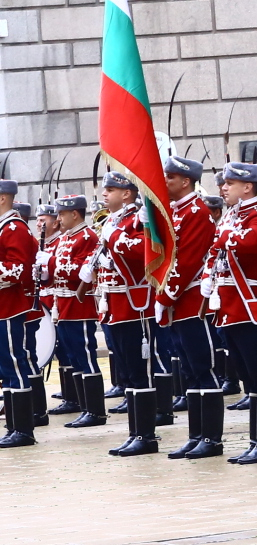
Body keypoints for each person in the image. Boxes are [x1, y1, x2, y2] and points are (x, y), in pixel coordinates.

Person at [211, 162, 257, 465]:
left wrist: (226, 234)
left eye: (229, 183)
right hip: (229, 309)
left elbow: (254, 243)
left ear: (248, 187)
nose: (223, 188)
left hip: (252, 309)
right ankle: (256, 441)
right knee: (247, 378)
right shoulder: (231, 217)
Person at [157, 156, 221, 458]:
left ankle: (211, 438)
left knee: (202, 369)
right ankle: (197, 435)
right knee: (190, 372)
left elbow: (187, 262)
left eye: (169, 177)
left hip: (192, 300)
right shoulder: (173, 211)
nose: (164, 181)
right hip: (178, 302)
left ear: (185, 181)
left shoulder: (196, 212)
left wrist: (164, 297)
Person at [96, 170, 160, 456]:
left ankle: (146, 436)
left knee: (140, 372)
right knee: (129, 375)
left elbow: (142, 251)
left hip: (136, 306)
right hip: (115, 306)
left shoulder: (137, 218)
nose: (104, 193)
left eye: (110, 189)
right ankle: (135, 432)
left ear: (127, 193)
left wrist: (116, 236)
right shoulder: (113, 220)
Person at [47, 194, 105, 427]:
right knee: (73, 357)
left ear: (75, 213)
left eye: (61, 214)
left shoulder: (87, 236)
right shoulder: (65, 238)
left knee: (85, 356)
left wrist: (50, 264)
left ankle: (95, 411)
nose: (58, 219)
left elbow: (80, 272)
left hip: (78, 305)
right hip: (63, 305)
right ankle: (84, 407)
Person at [0, 178, 39, 446]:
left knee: (15, 364)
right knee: (6, 367)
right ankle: (14, 426)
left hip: (11, 308)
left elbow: (17, 269)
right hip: (3, 307)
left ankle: (23, 429)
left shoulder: (13, 228)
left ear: (3, 198)